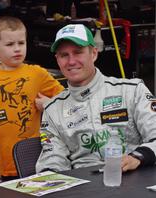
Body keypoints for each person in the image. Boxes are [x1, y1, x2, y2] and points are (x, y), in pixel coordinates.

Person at [36, 24, 156, 173]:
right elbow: (52, 159)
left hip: (132, 178)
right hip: (84, 188)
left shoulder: (132, 90)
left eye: (78, 52)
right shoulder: (53, 110)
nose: (71, 61)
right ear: (57, 59)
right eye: (64, 55)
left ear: (94, 53)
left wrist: (137, 157)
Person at [0, 16, 64, 180]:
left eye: (21, 43)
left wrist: (48, 104)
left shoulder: (37, 73)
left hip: (30, 159)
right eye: (10, 44)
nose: (17, 49)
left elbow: (65, 98)